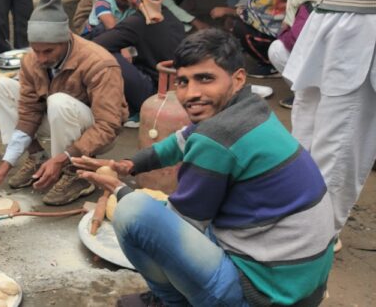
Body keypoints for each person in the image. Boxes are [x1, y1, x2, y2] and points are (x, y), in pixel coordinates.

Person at [75, 29, 335, 306]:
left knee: (133, 213)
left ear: (238, 79)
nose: (191, 93)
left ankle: (170, 302)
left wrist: (118, 189)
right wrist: (128, 165)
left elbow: (180, 226)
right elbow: (181, 140)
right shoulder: (249, 108)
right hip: (300, 285)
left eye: (205, 79)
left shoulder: (219, 134)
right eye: (183, 82)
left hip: (264, 294)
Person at [0, 0, 128, 206]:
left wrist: (63, 158)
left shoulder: (99, 64)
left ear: (65, 39)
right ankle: (38, 158)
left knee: (58, 101)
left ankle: (75, 173)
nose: (40, 58)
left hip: (96, 132)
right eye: (36, 50)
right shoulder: (32, 60)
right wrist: (4, 166)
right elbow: (28, 114)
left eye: (48, 51)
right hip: (60, 119)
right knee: (1, 86)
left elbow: (108, 126)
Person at [283, 0, 376, 252]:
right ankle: (294, 219)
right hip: (326, 12)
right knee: (305, 130)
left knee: (340, 140)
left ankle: (319, 235)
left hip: (364, 20)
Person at [93, 0, 185, 127]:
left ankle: (128, 109)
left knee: (103, 53)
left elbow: (95, 47)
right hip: (172, 91)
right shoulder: (172, 18)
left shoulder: (139, 21)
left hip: (152, 95)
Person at [212, 0, 287, 78]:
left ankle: (271, 65)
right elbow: (246, 3)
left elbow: (255, 13)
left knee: (240, 28)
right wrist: (231, 14)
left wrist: (228, 12)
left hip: (283, 35)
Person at [266, 0, 316, 109]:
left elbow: (295, 40)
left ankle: (307, 98)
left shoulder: (307, 2)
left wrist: (283, 32)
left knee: (277, 49)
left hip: (322, 64)